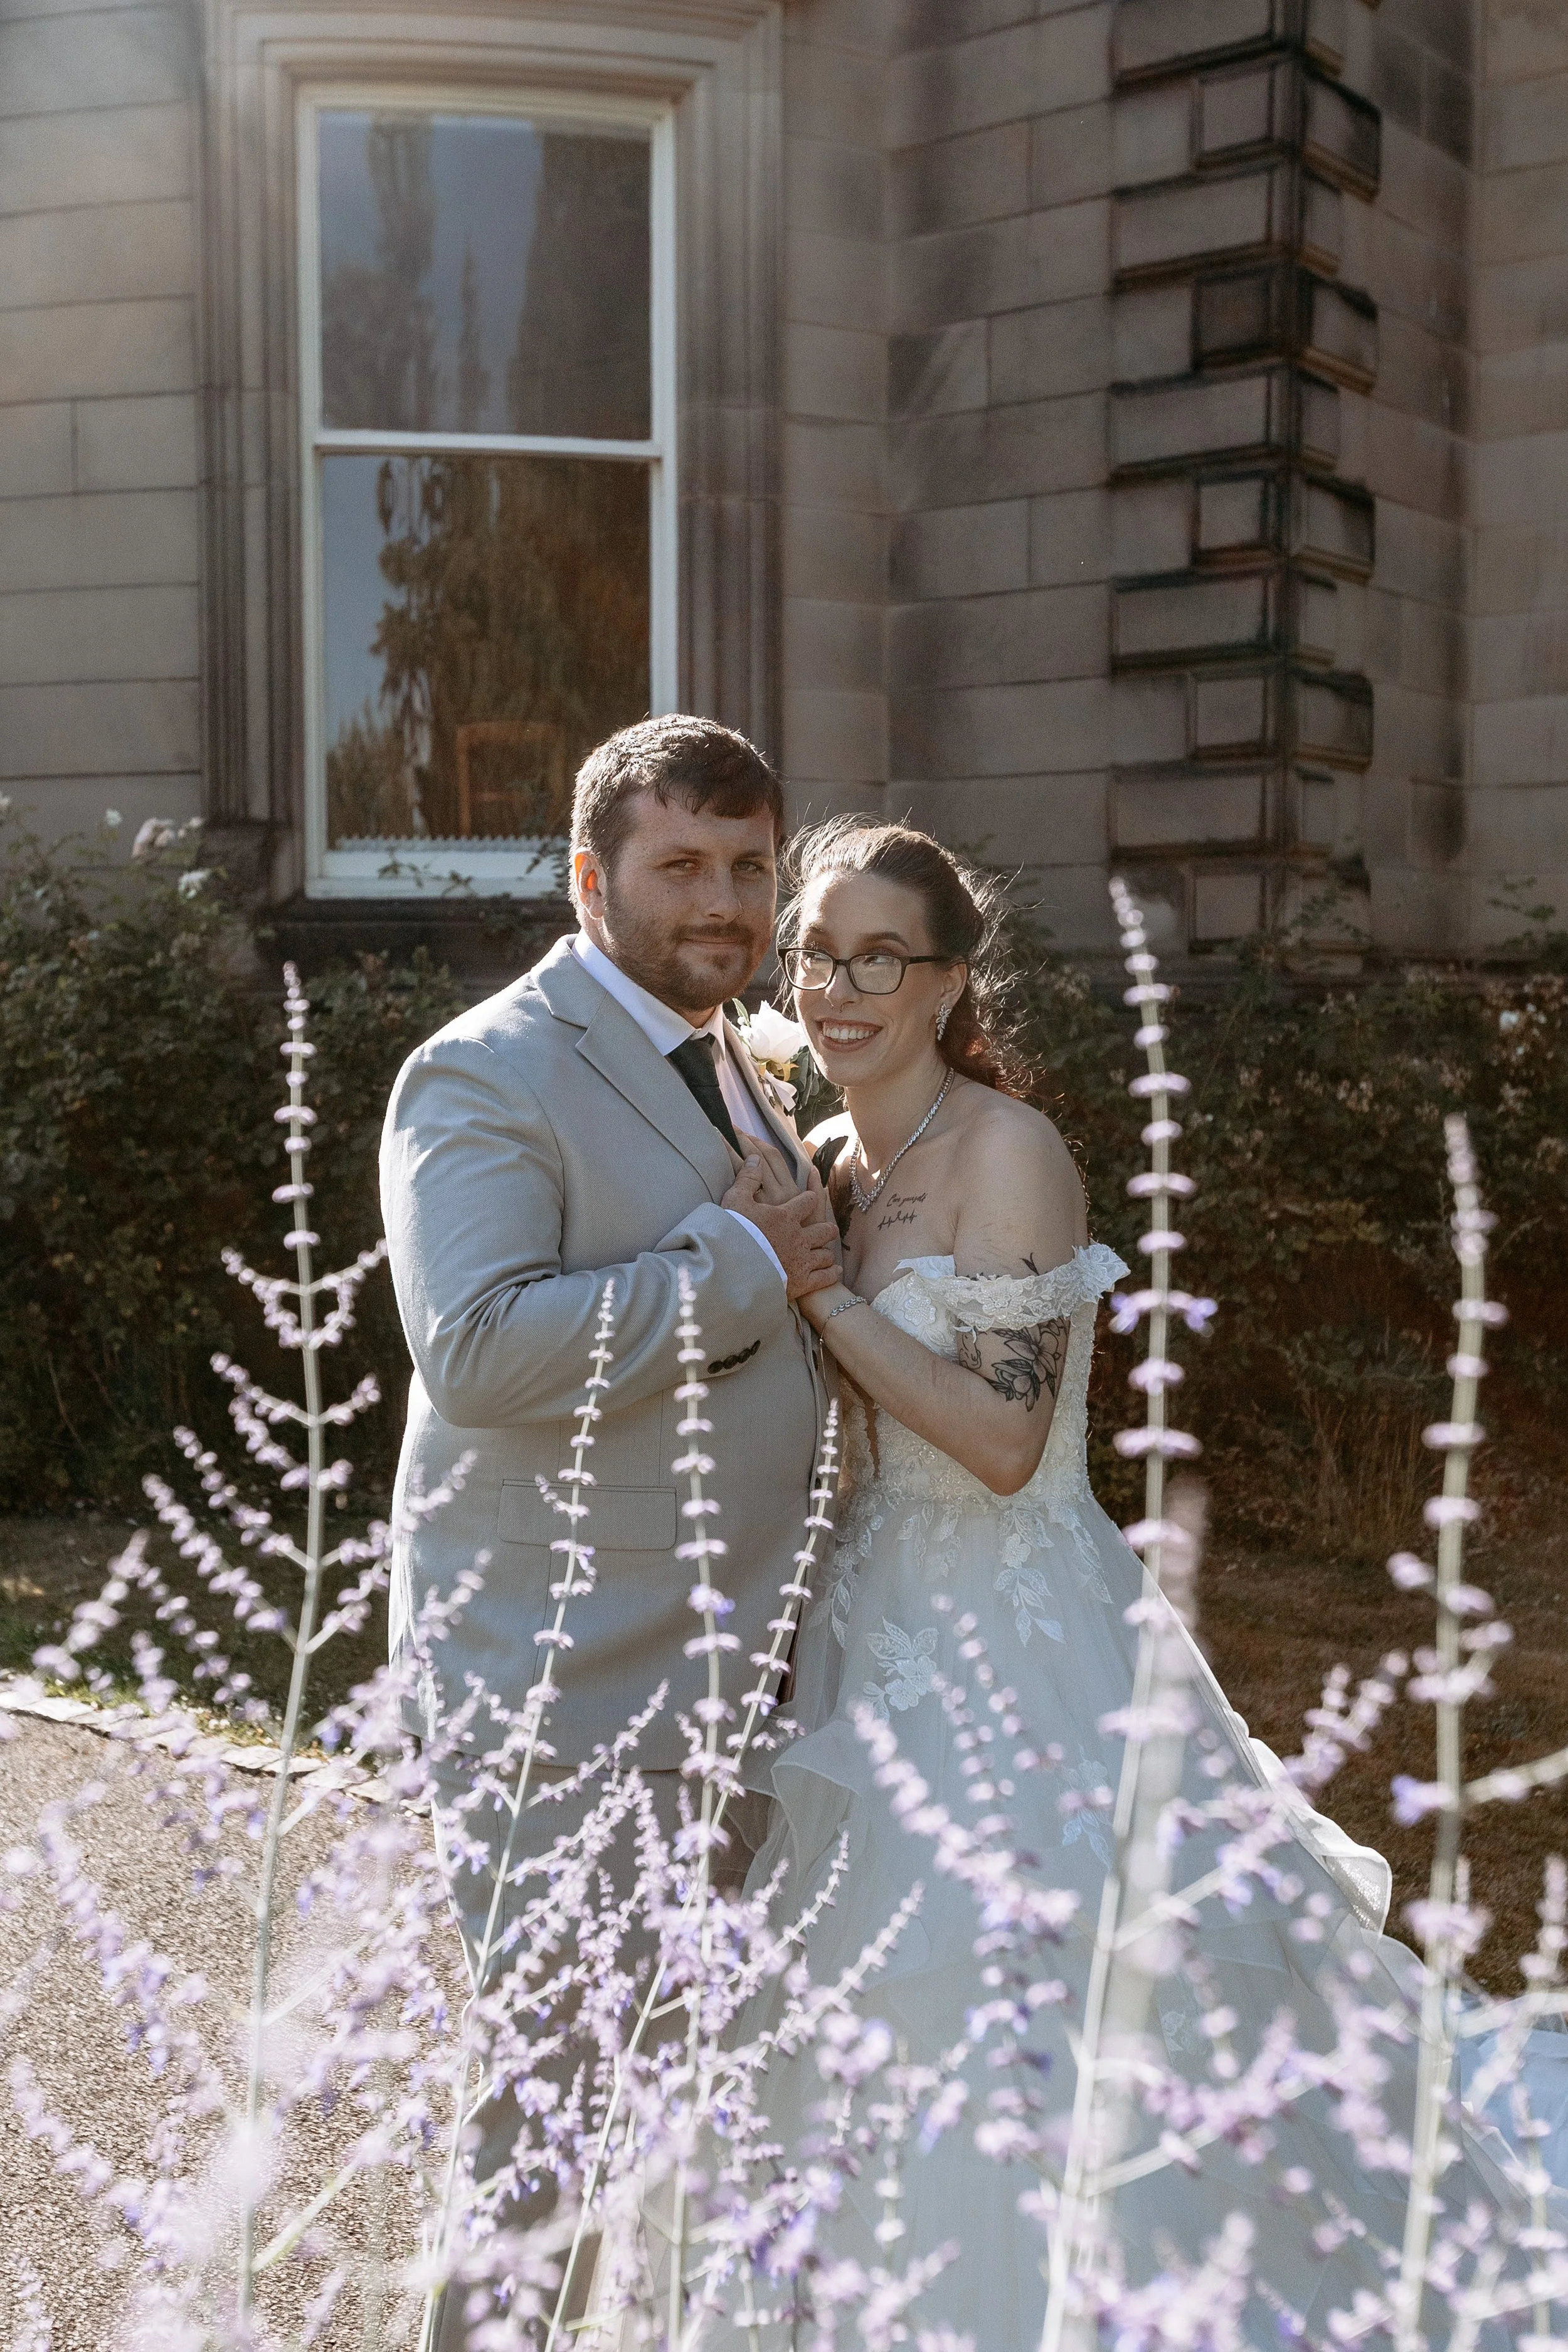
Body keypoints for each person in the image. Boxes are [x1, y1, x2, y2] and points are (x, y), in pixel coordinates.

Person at [718, 818, 1562, 2348]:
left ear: (947, 980)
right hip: (867, 1630)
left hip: (1017, 1637)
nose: (833, 988)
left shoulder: (1008, 1154)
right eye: (812, 954)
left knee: (1043, 1998)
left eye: (874, 958)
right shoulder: (829, 1158)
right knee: (881, 2003)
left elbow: (998, 1433)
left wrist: (822, 1294)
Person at [379, 716, 841, 2346]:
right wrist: (733, 1258)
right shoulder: (486, 1066)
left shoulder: (737, 1049)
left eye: (747, 866)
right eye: (680, 866)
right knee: (547, 2135)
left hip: (725, 1671)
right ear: (591, 877)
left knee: (655, 2117)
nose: (723, 902)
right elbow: (483, 1344)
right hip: (567, 1690)